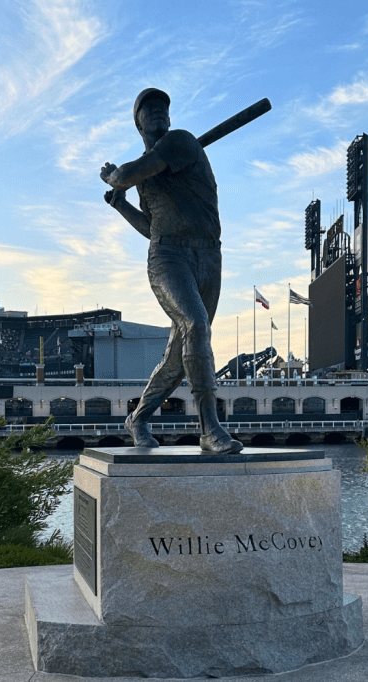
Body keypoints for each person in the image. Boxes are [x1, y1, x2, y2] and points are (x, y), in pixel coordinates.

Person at [100, 87, 241, 454]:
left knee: (181, 355)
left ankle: (139, 417)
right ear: (139, 122)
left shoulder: (180, 142)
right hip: (168, 257)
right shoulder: (147, 177)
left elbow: (125, 173)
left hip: (209, 256)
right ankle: (210, 428)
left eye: (163, 108)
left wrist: (115, 177)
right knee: (196, 324)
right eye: (150, 109)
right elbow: (152, 227)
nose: (159, 112)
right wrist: (121, 206)